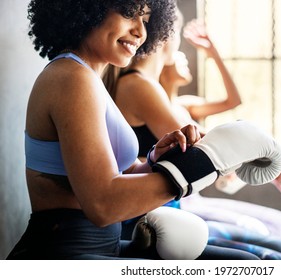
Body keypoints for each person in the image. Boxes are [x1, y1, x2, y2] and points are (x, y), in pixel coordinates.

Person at [7, 0, 265, 260]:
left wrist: (155, 160)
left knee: (246, 262)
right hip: (68, 254)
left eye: (145, 20)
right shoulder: (72, 78)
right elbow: (102, 205)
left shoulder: (87, 78)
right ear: (86, 10)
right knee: (247, 264)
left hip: (103, 246)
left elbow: (121, 171)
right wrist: (197, 170)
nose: (141, 32)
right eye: (131, 14)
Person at [103, 11, 281, 259]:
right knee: (272, 256)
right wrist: (255, 154)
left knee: (276, 245)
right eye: (177, 34)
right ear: (165, 35)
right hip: (157, 211)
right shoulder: (138, 85)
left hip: (168, 206)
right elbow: (203, 147)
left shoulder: (147, 87)